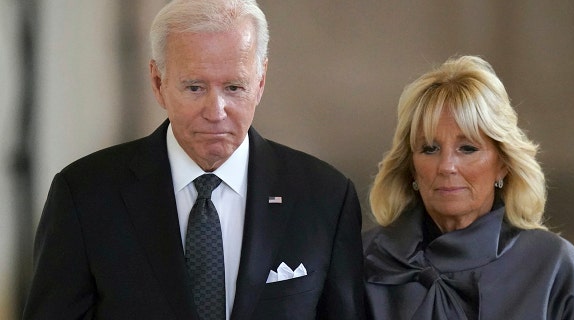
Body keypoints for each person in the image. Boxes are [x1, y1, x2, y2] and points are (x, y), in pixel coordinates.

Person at [22, 0, 365, 319]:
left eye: (234, 87)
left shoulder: (325, 197)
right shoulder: (85, 195)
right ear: (158, 82)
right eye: (195, 88)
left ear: (260, 82)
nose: (215, 112)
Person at [362, 55, 574, 319]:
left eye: (468, 148)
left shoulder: (552, 264)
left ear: (503, 163)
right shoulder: (366, 260)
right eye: (430, 149)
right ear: (411, 166)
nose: (447, 166)